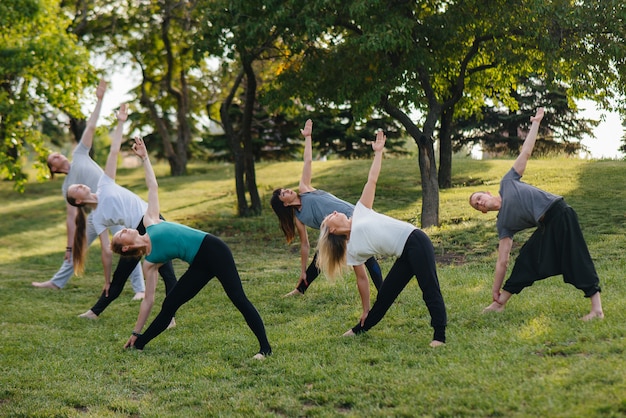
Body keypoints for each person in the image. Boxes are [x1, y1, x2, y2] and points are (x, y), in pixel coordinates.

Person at [111, 137, 272, 359]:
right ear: (126, 248)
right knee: (170, 304)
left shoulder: (150, 221)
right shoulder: (150, 262)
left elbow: (153, 186)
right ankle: (139, 344)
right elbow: (148, 300)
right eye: (122, 233)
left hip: (214, 249)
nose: (126, 229)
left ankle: (265, 348)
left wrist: (145, 158)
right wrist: (135, 332)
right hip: (199, 264)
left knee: (238, 298)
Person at [468, 108, 604, 321]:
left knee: (576, 258)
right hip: (548, 223)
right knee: (526, 259)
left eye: (479, 198)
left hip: (560, 212)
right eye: (477, 205)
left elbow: (526, 152)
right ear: (483, 211)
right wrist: (495, 289)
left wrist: (536, 123)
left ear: (487, 194)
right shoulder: (503, 224)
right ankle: (499, 303)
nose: (480, 202)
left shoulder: (508, 182)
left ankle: (597, 310)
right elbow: (502, 260)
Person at [317, 130, 447, 347]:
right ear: (331, 231)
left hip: (415, 240)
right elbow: (362, 280)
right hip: (404, 253)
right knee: (385, 295)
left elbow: (372, 179)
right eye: (330, 217)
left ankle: (439, 336)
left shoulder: (360, 210)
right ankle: (361, 328)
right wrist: (365, 308)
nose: (334, 213)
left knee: (429, 287)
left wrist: (378, 152)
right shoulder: (352, 250)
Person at [32, 79, 144, 299]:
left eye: (57, 153)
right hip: (96, 216)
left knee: (127, 244)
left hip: (113, 205)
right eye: (53, 157)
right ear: (53, 167)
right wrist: (67, 247)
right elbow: (72, 218)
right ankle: (57, 282)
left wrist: (99, 100)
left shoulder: (80, 154)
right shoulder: (67, 187)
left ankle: (139, 289)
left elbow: (91, 126)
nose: (59, 155)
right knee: (78, 246)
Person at [66, 104, 178, 320]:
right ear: (78, 200)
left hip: (152, 219)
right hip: (133, 234)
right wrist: (106, 279)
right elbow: (106, 251)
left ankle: (169, 317)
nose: (81, 185)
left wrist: (120, 122)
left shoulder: (104, 183)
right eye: (76, 189)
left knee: (167, 273)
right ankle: (94, 312)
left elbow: (114, 151)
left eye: (79, 184)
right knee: (118, 278)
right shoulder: (96, 218)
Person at [270, 119, 383, 309]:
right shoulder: (299, 218)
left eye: (286, 189)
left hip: (353, 217)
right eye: (284, 194)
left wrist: (308, 137)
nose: (288, 191)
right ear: (284, 204)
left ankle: (383, 292)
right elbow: (304, 245)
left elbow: (307, 161)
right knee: (320, 259)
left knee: (367, 257)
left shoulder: (305, 189)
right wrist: (302, 271)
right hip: (338, 231)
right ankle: (301, 288)